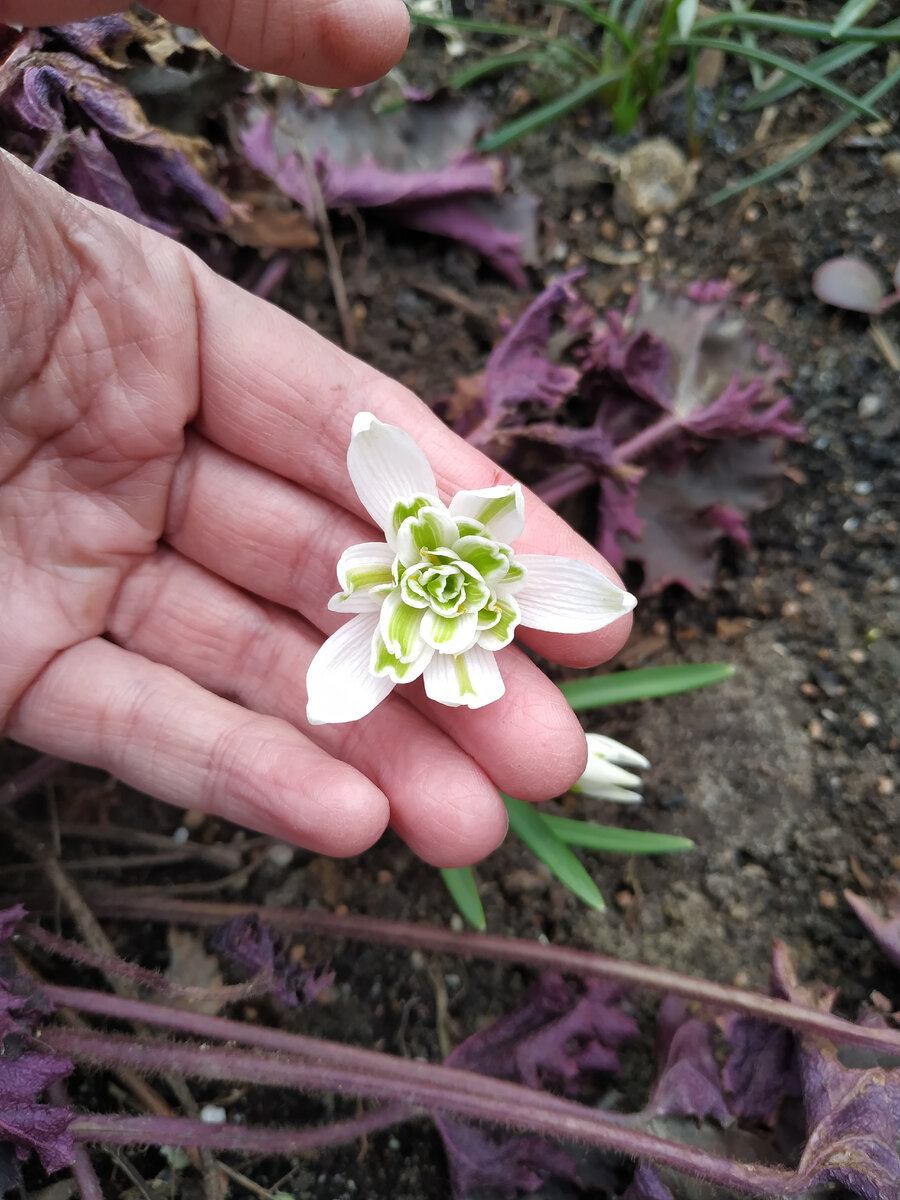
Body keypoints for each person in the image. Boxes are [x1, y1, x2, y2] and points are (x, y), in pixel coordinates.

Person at [0, 0, 632, 869]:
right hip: (382, 568)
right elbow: (372, 453)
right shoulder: (401, 543)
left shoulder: (435, 574)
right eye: (452, 595)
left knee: (488, 727)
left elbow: (343, 680)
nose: (450, 599)